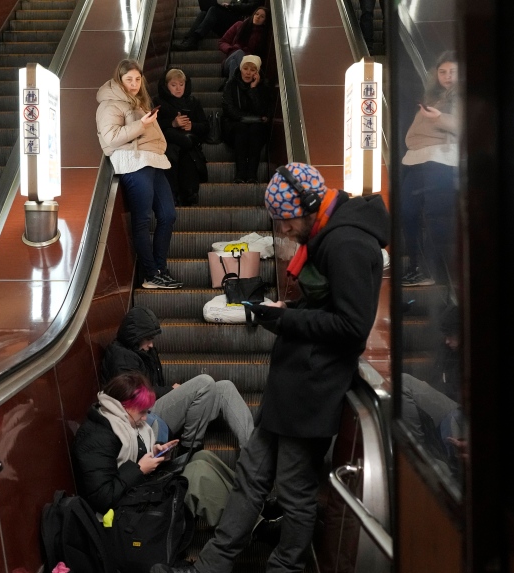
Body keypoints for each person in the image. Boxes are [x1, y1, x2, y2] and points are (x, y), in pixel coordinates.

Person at [152, 163, 390, 573]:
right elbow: (326, 309)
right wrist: (287, 310)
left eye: (283, 221)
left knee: (296, 493)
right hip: (293, 385)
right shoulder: (329, 236)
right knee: (251, 476)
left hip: (313, 391)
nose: (281, 231)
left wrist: (287, 319)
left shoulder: (347, 243)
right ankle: (211, 566)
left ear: (307, 207)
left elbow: (353, 327)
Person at [72, 372, 238, 529]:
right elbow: (102, 497)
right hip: (126, 511)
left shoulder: (124, 423)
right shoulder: (97, 437)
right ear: (124, 406)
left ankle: (248, 505)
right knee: (197, 471)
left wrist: (156, 452)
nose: (145, 418)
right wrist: (140, 469)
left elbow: (130, 457)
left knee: (203, 456)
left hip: (140, 488)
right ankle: (246, 526)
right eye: (142, 411)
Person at [101, 307, 255, 456]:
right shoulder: (121, 358)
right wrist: (170, 391)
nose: (151, 344)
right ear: (134, 338)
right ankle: (188, 448)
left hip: (155, 406)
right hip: (143, 417)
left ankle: (252, 453)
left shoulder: (142, 351)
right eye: (148, 339)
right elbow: (134, 396)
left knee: (225, 388)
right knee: (204, 382)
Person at [96, 59, 183, 289]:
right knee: (142, 219)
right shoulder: (109, 105)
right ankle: (150, 274)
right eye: (128, 79)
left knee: (168, 215)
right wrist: (142, 126)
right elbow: (111, 138)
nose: (134, 84)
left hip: (153, 161)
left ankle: (160, 269)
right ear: (119, 80)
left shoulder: (139, 102)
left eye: (137, 79)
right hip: (133, 162)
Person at [399, 51, 460, 287]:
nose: (446, 76)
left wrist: (439, 118)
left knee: (436, 220)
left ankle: (440, 274)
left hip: (441, 160)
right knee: (408, 213)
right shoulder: (435, 96)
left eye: (452, 72)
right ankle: (417, 267)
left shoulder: (462, 96)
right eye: (442, 72)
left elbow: (467, 126)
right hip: (418, 159)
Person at [155, 69, 210, 207]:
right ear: (166, 85)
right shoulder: (158, 102)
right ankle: (171, 195)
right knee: (171, 154)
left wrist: (192, 126)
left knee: (187, 154)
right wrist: (172, 123)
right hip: (168, 144)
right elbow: (152, 127)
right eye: (174, 85)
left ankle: (188, 195)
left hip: (189, 144)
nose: (178, 88)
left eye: (181, 84)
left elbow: (205, 127)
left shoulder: (193, 102)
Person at [222, 55, 273, 183]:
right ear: (240, 69)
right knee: (242, 129)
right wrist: (245, 118)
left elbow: (262, 110)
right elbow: (228, 108)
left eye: (252, 70)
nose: (248, 73)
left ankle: (252, 175)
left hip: (256, 127)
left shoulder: (263, 86)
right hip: (236, 124)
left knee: (256, 130)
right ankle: (240, 174)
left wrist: (253, 89)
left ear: (257, 72)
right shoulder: (231, 84)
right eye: (245, 68)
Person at [173, 0, 262, 51]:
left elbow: (251, 7)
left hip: (240, 25)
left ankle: (194, 38)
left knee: (214, 10)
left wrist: (232, 6)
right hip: (232, 16)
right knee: (204, 13)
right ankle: (190, 40)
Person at [218, 7, 269, 77]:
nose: (258, 17)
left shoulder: (263, 35)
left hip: (249, 65)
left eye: (262, 16)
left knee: (234, 64)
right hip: (230, 59)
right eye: (256, 14)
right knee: (239, 53)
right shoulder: (240, 25)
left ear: (265, 21)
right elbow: (222, 42)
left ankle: (233, 85)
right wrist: (231, 49)